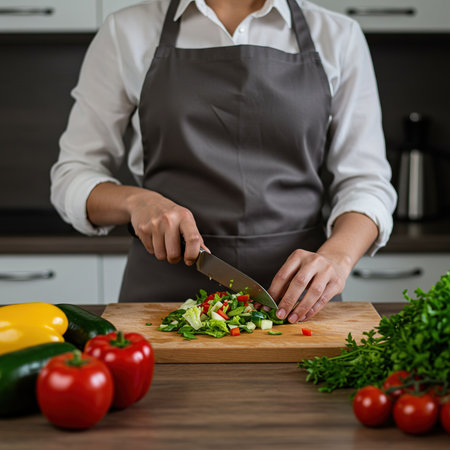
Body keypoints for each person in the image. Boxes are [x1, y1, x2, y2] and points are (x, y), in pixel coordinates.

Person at [50, 0, 397, 323]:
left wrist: (339, 256)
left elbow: (365, 182)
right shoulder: (126, 31)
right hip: (159, 305)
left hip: (298, 305)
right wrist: (136, 201)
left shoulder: (338, 36)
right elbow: (73, 175)